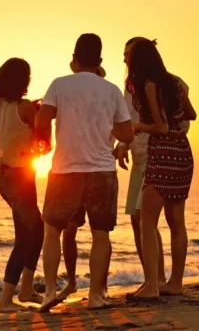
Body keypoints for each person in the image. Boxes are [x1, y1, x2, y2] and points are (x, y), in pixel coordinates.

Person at [35, 34, 134, 311]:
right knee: (100, 234)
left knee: (52, 231)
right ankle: (94, 296)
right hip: (102, 170)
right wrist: (104, 127)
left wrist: (45, 139)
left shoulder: (59, 84)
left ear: (74, 59)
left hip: (65, 170)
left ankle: (50, 292)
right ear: (99, 61)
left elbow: (42, 120)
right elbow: (127, 134)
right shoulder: (111, 90)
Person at [114, 38, 192, 288]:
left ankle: (154, 281)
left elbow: (161, 125)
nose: (125, 59)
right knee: (162, 219)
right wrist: (125, 143)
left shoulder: (144, 84)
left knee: (145, 219)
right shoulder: (170, 82)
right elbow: (189, 116)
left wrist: (141, 129)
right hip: (167, 153)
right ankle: (167, 281)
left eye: (129, 54)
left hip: (156, 154)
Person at [0, 57, 46, 312]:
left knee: (36, 229)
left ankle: (26, 290)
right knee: (26, 236)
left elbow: (10, 132)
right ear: (23, 81)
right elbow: (43, 142)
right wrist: (42, 114)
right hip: (21, 177)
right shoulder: (25, 107)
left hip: (5, 177)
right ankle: (6, 300)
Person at [54, 65, 111, 305]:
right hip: (74, 172)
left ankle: (100, 286)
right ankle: (72, 282)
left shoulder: (105, 101)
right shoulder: (75, 101)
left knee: (101, 232)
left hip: (97, 171)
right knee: (70, 230)